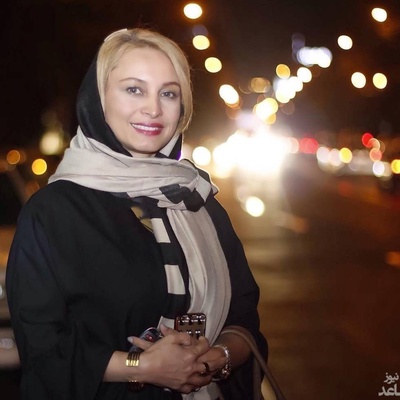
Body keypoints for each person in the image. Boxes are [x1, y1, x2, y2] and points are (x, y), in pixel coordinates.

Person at [6, 27, 267, 400]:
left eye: (168, 93)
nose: (154, 109)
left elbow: (244, 321)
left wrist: (212, 360)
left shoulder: (198, 201)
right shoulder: (54, 212)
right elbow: (42, 346)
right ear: (98, 99)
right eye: (134, 89)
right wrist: (141, 367)